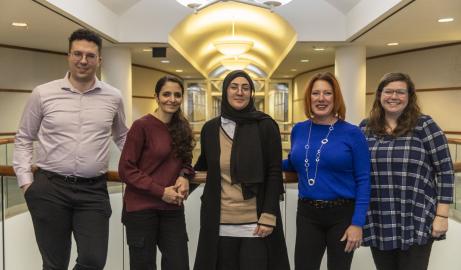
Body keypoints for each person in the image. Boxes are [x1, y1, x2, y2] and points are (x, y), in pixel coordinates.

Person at [13, 28, 128, 270]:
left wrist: (148, 166)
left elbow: (122, 137)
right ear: (68, 55)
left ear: (99, 60)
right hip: (49, 188)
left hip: (93, 191)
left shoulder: (113, 97)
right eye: (77, 54)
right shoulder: (43, 93)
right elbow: (24, 138)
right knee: (54, 264)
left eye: (90, 55)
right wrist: (26, 184)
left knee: (94, 260)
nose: (83, 61)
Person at [193, 70, 290, 270]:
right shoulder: (210, 129)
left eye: (245, 88)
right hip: (219, 222)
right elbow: (203, 165)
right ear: (225, 91)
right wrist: (184, 180)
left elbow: (273, 172)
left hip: (256, 223)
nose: (240, 92)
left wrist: (269, 215)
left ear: (251, 93)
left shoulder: (265, 126)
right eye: (234, 87)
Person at [360, 72, 454, 270]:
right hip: (379, 217)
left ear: (410, 96)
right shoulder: (365, 128)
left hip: (416, 217)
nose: (394, 96)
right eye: (388, 91)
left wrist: (442, 216)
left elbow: (445, 171)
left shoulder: (425, 126)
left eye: (400, 92)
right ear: (379, 95)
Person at [283, 72, 370, 270]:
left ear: (335, 97)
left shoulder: (352, 133)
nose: (321, 98)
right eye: (316, 93)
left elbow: (364, 180)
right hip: (307, 214)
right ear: (309, 98)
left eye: (327, 93)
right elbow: (295, 162)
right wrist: (264, 162)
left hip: (342, 215)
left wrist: (357, 223)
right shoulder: (299, 129)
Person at [119, 75, 195, 270]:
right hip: (141, 210)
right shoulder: (141, 126)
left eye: (177, 95)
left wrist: (184, 176)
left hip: (172, 209)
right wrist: (161, 192)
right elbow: (126, 169)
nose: (172, 99)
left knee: (179, 265)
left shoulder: (183, 127)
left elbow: (186, 161)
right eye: (166, 94)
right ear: (156, 97)